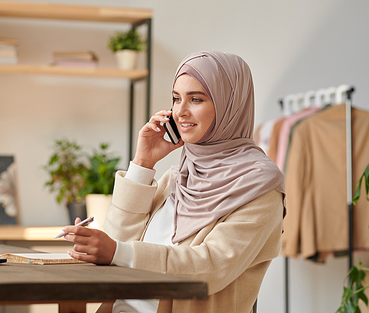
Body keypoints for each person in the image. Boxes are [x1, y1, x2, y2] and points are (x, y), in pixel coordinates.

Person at [62, 50, 286, 313]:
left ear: (230, 106)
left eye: (196, 99)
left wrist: (116, 252)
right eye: (176, 99)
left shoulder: (259, 187)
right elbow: (116, 241)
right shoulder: (180, 174)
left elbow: (211, 267)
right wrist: (142, 164)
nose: (180, 112)